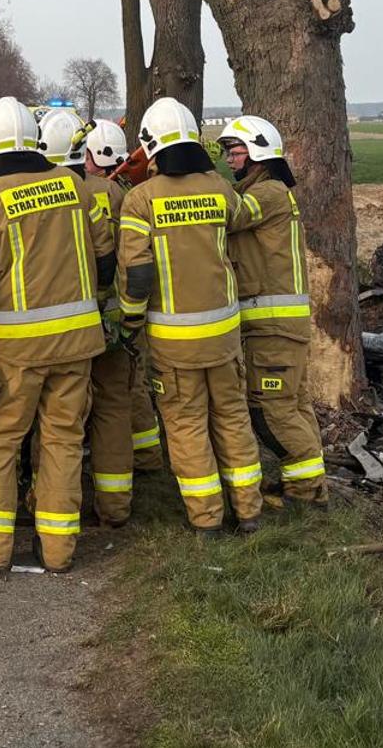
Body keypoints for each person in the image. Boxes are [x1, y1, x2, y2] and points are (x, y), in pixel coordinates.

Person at [0, 96, 114, 572]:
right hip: (78, 344)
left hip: (15, 351)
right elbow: (105, 261)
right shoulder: (75, 186)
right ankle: (59, 550)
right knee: (63, 440)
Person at [117, 97, 264, 535]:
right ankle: (250, 511)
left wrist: (129, 322)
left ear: (150, 144)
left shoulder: (140, 200)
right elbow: (239, 219)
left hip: (173, 341)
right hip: (224, 336)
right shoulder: (218, 188)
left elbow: (137, 273)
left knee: (185, 426)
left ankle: (206, 519)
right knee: (232, 418)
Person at [218, 115, 326, 513]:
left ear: (259, 151)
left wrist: (196, 177)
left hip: (272, 327)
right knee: (295, 407)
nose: (229, 159)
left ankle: (306, 491)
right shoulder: (269, 191)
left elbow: (228, 214)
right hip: (281, 326)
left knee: (270, 409)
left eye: (236, 150)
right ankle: (309, 487)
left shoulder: (267, 194)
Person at [43, 111, 143, 527]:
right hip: (113, 312)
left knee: (55, 415)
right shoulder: (119, 196)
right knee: (113, 406)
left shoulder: (55, 193)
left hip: (67, 320)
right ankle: (115, 505)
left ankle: (44, 501)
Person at [79, 119, 166, 478]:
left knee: (91, 391)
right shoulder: (125, 194)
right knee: (129, 387)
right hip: (124, 306)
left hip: (89, 306)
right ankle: (145, 457)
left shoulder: (80, 189)